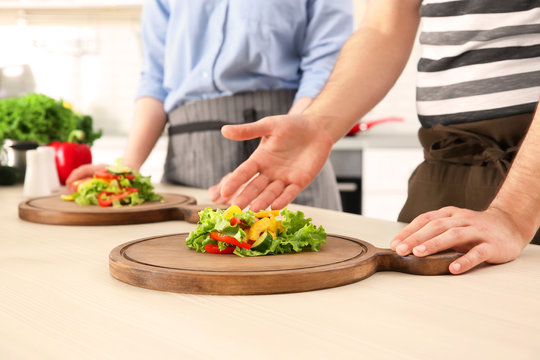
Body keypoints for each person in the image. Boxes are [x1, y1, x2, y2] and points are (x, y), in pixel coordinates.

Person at [215, 0, 540, 274]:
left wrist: (514, 214)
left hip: (531, 179)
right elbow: (384, 29)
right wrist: (319, 123)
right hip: (446, 162)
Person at [66, 0, 354, 211]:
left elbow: (326, 64)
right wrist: (127, 167)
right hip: (187, 159)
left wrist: (296, 137)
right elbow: (155, 80)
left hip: (284, 152)